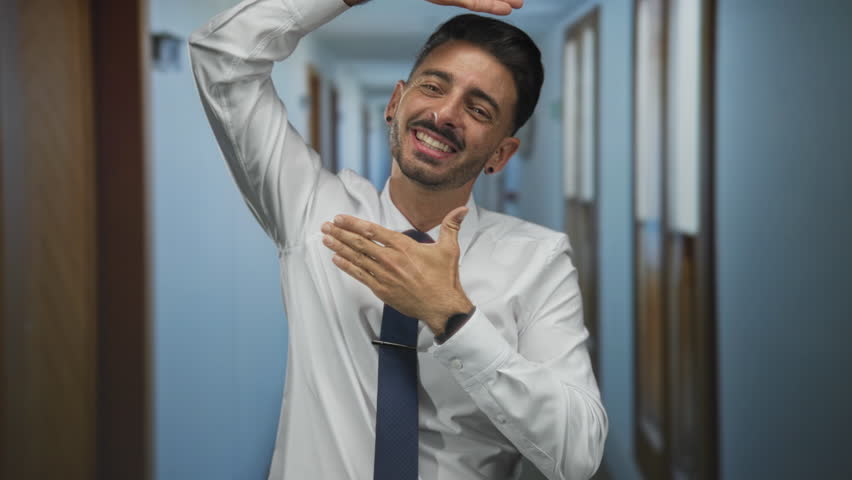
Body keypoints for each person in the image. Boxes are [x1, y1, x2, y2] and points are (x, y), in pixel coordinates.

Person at [189, 0, 607, 478]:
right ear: (395, 104)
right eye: (433, 87)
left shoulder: (537, 262)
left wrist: (454, 320)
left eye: (478, 109)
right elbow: (222, 56)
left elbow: (579, 453)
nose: (446, 114)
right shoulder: (311, 212)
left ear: (501, 154)